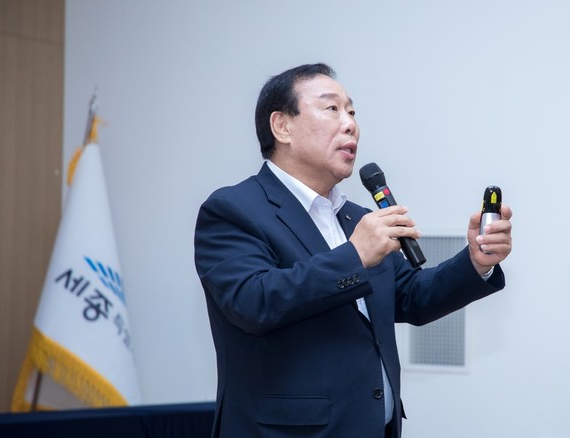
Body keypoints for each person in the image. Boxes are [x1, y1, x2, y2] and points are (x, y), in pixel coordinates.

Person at [194, 63, 512, 438]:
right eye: (332, 108)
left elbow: (411, 296)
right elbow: (254, 302)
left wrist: (476, 262)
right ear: (282, 126)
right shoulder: (234, 209)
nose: (350, 124)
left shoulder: (355, 218)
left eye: (352, 111)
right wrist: (355, 256)